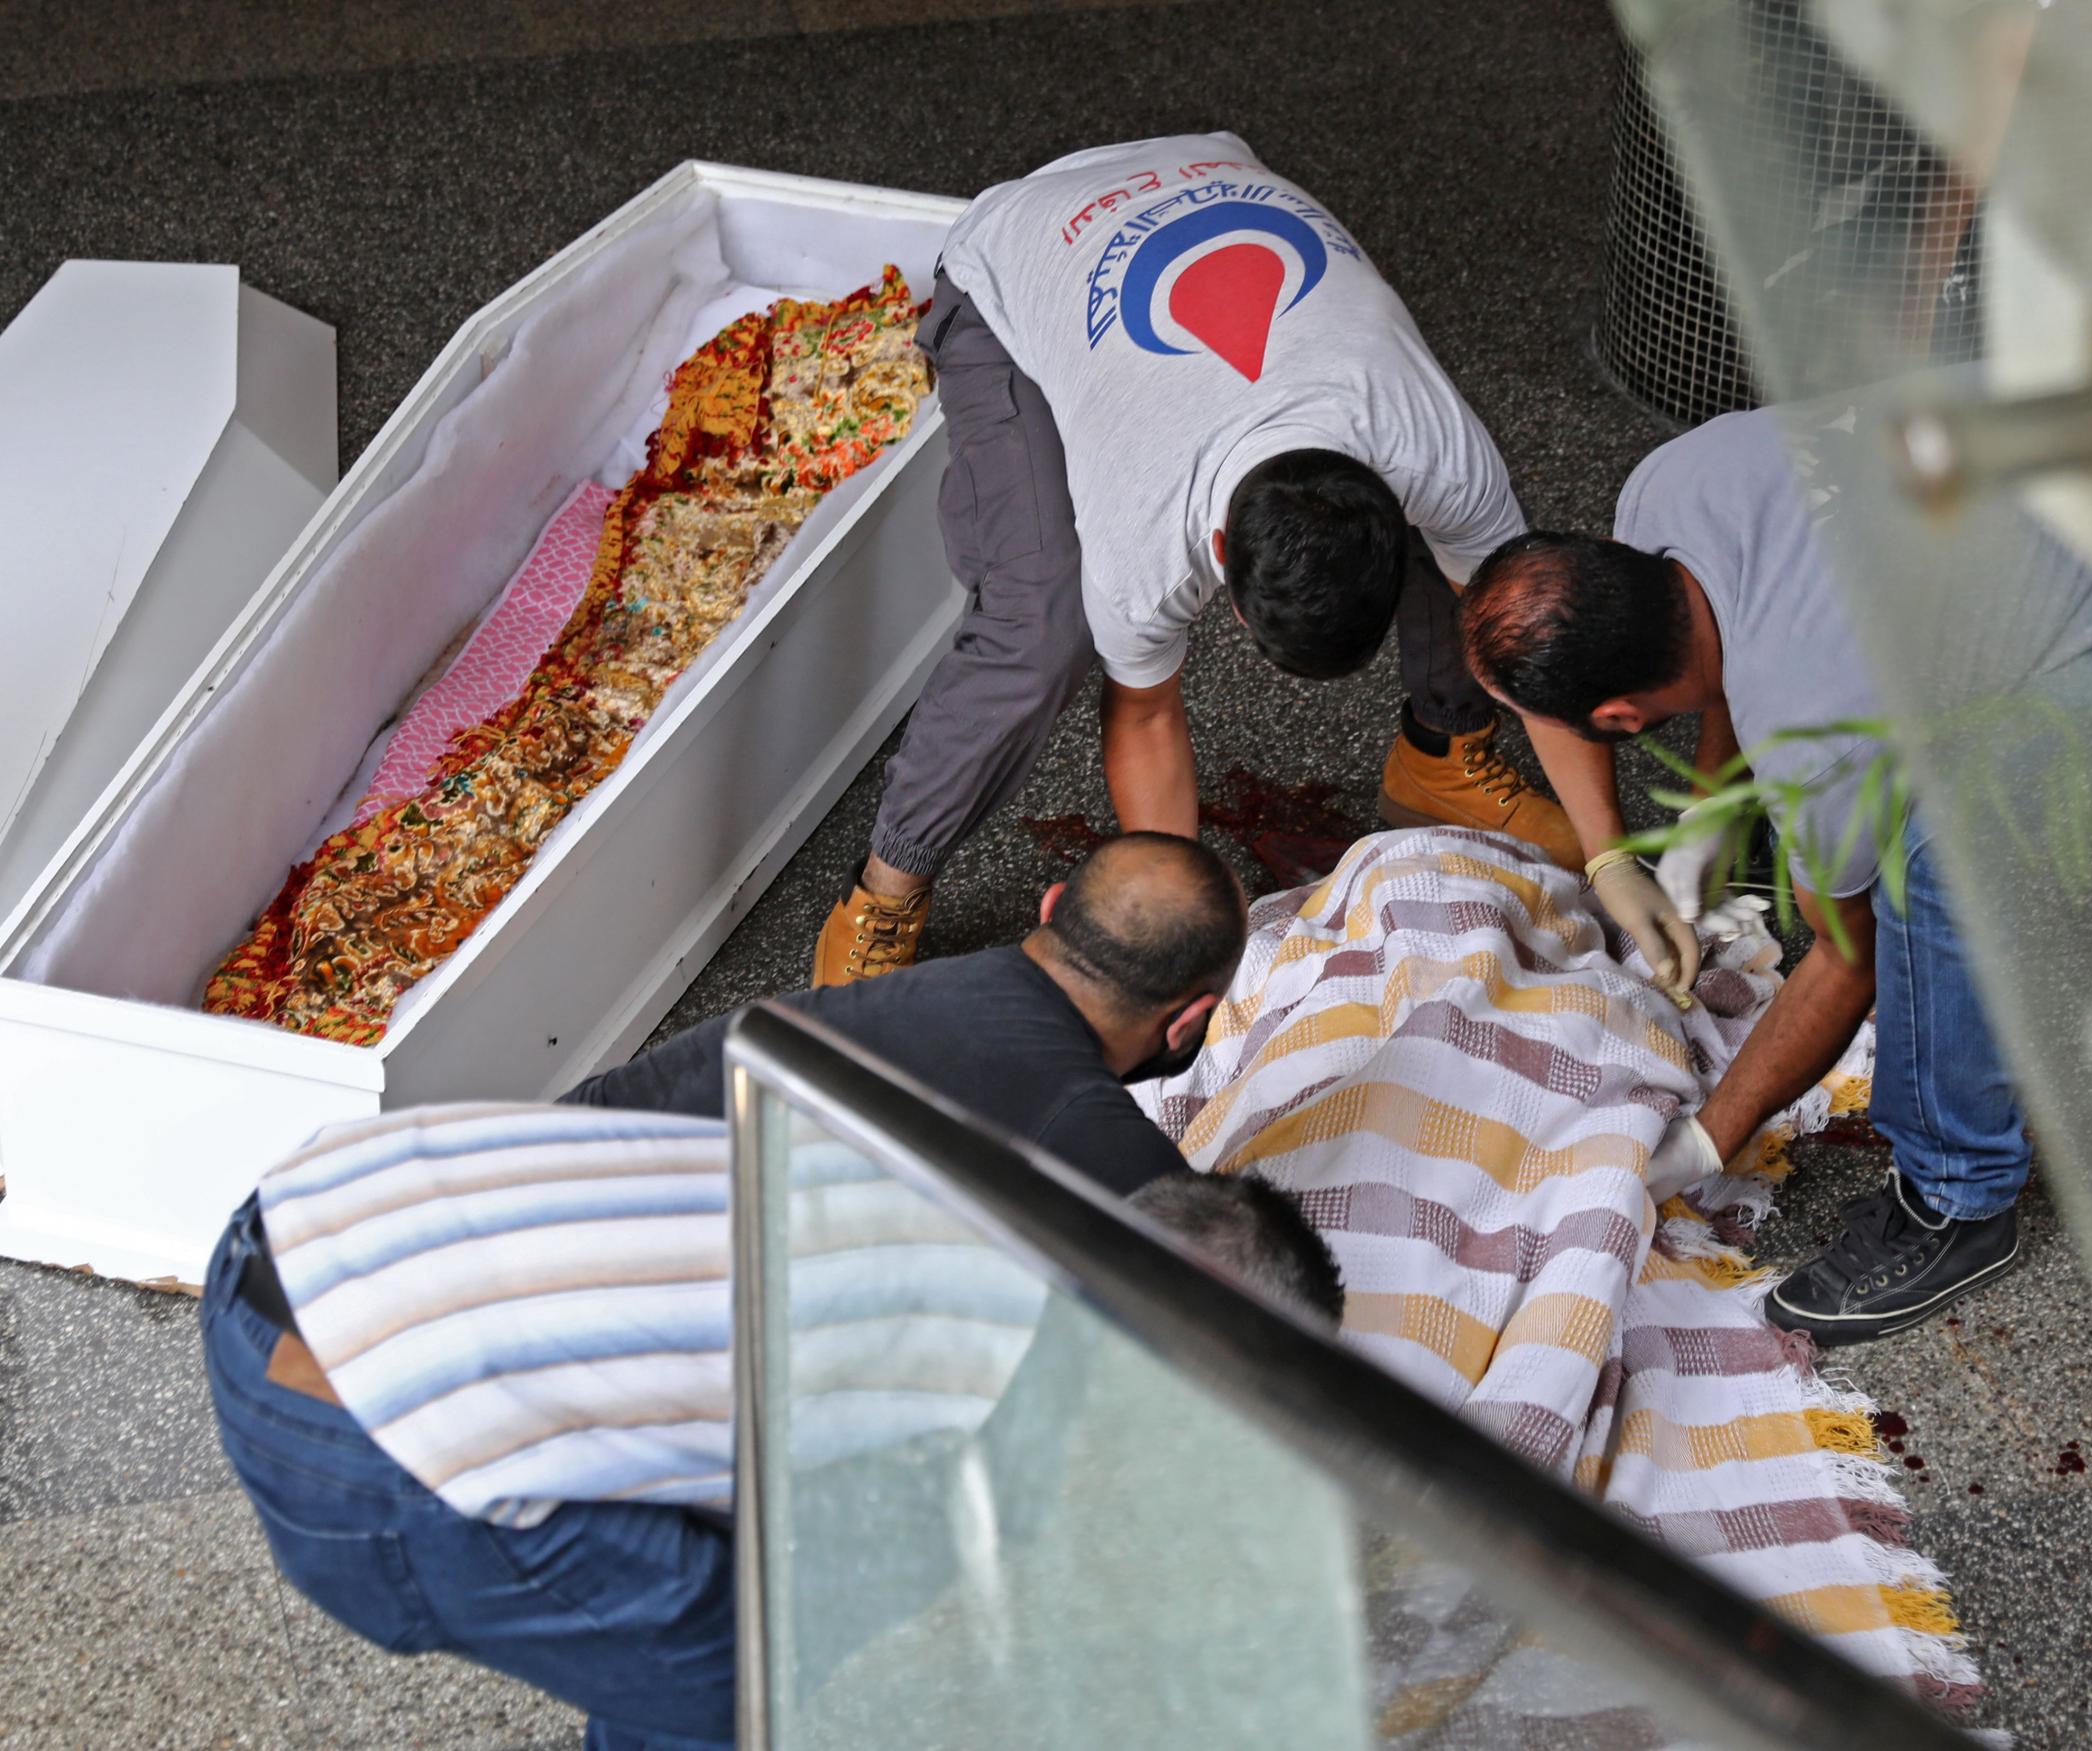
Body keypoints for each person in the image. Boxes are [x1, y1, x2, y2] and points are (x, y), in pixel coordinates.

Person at [199, 1110, 1342, 1751]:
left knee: (707, 1611)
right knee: (743, 1689)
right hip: (364, 1438)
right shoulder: (1003, 1392)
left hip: (302, 1217)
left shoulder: (987, 1179)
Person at [1460, 408, 2092, 1345]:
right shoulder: (1669, 484)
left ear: (1618, 717)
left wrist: (1702, 1139)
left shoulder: (1808, 722)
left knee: (1934, 864)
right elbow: (1730, 646)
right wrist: (1707, 814)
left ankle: (1957, 1201)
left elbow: (1845, 961)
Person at [813, 130, 1585, 987]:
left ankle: (1443, 758)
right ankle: (885, 888)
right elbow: (1144, 717)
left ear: (1389, 493)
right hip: (1015, 259)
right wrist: (1187, 945)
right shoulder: (1144, 530)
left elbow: (1523, 623)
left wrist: (1618, 859)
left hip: (1207, 170)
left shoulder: (1433, 448)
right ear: (1219, 555)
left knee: (1490, 575)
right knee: (1039, 624)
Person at [572, 831, 1245, 1192]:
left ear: (1051, 905)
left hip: (540, 1150)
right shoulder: (1108, 1146)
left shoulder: (924, 994)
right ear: (1187, 1022)